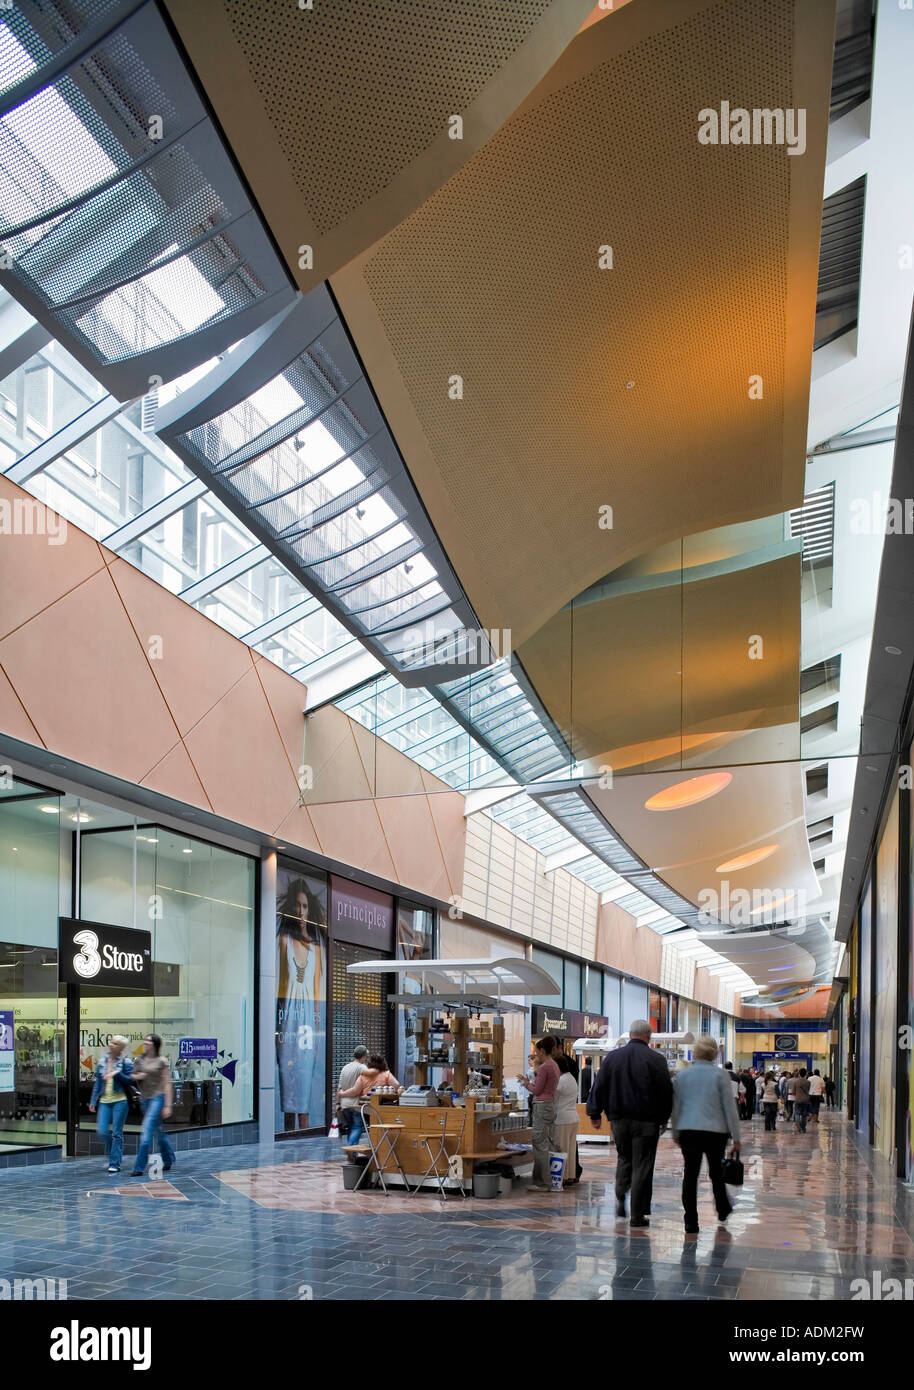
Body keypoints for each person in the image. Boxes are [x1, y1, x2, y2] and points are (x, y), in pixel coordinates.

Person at [586, 1020, 673, 1227]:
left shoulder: (612, 1058)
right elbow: (666, 1093)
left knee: (624, 1157)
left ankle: (620, 1195)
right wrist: (663, 1119)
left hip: (619, 1120)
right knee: (643, 1164)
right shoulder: (656, 1059)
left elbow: (599, 1086)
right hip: (647, 1122)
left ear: (630, 1034)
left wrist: (594, 1113)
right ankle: (637, 1214)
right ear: (648, 1036)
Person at [671, 1036, 742, 1234]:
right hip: (716, 1132)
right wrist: (736, 1137)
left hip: (688, 1131)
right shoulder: (720, 1075)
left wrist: (675, 1131)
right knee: (716, 1173)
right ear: (714, 1053)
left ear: (695, 1052)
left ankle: (691, 1221)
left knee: (690, 1176)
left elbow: (676, 1107)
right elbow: (730, 1108)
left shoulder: (682, 1076)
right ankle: (722, 1208)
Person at [276, 875, 326, 1131]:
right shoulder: (283, 941)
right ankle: (286, 1135)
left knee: (304, 1084)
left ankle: (304, 1135)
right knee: (288, 1083)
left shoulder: (317, 949)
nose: (300, 911)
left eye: (305, 906)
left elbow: (317, 993)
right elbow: (278, 985)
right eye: (297, 905)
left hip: (308, 1022)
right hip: (287, 1019)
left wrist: (317, 1031)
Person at [517, 1035, 560, 1191]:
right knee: (546, 1143)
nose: (536, 1055)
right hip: (550, 1106)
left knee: (539, 1144)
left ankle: (543, 1183)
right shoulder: (554, 1065)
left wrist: (526, 1082)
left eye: (537, 1051)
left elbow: (537, 1090)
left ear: (542, 1050)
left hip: (541, 1106)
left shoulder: (544, 1067)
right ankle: (542, 1180)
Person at [130, 1034, 175, 1177]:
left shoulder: (161, 1061)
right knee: (159, 1132)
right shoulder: (139, 1060)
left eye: (149, 1041)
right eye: (145, 1040)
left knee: (147, 1129)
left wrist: (168, 1105)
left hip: (158, 1097)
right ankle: (168, 1159)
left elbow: (167, 1083)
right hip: (145, 1099)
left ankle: (139, 1167)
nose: (145, 1042)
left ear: (155, 1044)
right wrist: (139, 1076)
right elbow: (132, 1076)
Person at [88, 1035, 134, 1174]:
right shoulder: (102, 1061)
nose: (111, 1045)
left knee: (117, 1133)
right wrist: (92, 1101)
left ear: (120, 1047)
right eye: (111, 1042)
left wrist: (116, 1073)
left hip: (120, 1100)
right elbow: (98, 1083)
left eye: (115, 1043)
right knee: (102, 1131)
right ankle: (115, 1153)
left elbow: (130, 1080)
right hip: (104, 1101)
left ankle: (115, 1163)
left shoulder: (126, 1062)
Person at [554, 1052, 582, 1187]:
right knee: (570, 1150)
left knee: (562, 1149)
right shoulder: (571, 1078)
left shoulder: (561, 1080)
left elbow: (554, 1097)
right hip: (573, 1118)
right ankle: (570, 1175)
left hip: (562, 1119)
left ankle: (562, 1177)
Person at [336, 1044, 368, 1144]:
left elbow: (339, 1088)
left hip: (344, 1104)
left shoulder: (345, 1068)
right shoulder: (362, 1067)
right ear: (363, 1056)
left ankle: (352, 1154)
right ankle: (350, 1148)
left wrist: (338, 1103)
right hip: (356, 1104)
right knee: (358, 1127)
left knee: (351, 1128)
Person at [793, 1068, 811, 1133]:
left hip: (798, 1099)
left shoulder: (796, 1082)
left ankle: (798, 1126)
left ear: (799, 1074)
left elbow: (793, 1091)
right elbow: (808, 1090)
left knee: (797, 1113)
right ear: (805, 1074)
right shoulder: (808, 1082)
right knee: (804, 1114)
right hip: (806, 1100)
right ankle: (803, 1127)